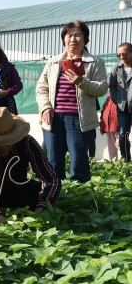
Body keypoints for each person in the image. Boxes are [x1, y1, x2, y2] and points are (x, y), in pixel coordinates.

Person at [36, 20, 107, 183]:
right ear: (63, 39)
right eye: (69, 35)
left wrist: (81, 81)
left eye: (77, 35)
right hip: (53, 118)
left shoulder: (95, 62)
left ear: (85, 39)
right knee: (53, 162)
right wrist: (45, 107)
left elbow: (102, 88)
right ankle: (55, 196)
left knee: (78, 163)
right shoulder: (53, 62)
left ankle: (80, 201)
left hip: (78, 119)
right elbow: (41, 88)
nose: (73, 39)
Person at [0, 107, 61, 223]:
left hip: (16, 191)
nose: (2, 147)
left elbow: (51, 178)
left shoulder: (27, 143)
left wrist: (41, 208)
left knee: (41, 193)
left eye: (6, 142)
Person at [109, 42, 132, 162]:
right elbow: (112, 86)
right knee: (123, 135)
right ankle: (126, 161)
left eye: (124, 54)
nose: (122, 57)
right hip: (123, 107)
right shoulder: (116, 68)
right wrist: (116, 99)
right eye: (119, 55)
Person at [99, 94, 118, 161]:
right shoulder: (108, 97)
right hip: (109, 126)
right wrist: (102, 125)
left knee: (122, 146)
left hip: (119, 127)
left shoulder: (122, 95)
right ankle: (113, 164)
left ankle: (125, 164)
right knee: (112, 148)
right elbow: (104, 111)